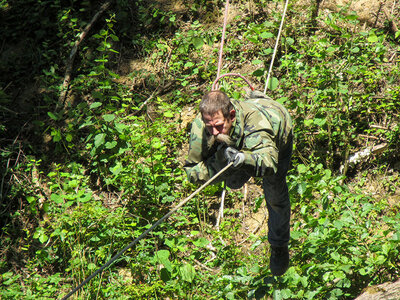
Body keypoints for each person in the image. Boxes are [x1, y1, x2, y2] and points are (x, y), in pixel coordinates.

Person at [184, 89, 293, 276]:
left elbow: (269, 163)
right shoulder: (202, 127)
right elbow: (192, 172)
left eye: (219, 126)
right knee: (233, 179)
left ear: (231, 116)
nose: (214, 132)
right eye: (209, 126)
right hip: (238, 141)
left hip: (276, 131)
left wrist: (244, 159)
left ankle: (279, 245)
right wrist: (220, 160)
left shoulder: (257, 125)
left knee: (274, 190)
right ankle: (236, 164)